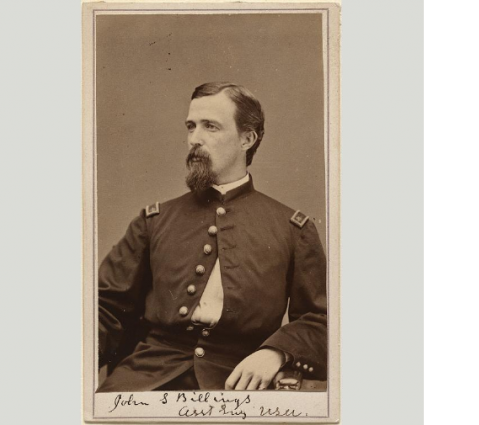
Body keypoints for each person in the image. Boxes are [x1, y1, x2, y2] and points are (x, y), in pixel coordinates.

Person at [97, 82, 327, 392]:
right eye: (191, 127)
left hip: (239, 384)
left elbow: (322, 318)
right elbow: (105, 308)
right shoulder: (153, 220)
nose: (194, 139)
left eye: (211, 127)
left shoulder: (292, 228)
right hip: (146, 378)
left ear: (247, 138)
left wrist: (276, 352)